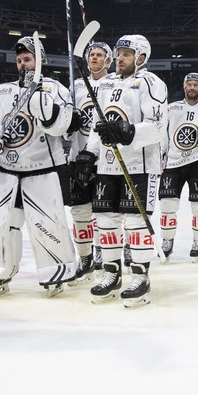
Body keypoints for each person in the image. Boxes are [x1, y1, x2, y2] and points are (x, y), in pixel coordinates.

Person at [0, 35, 77, 298]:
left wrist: (50, 114)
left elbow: (65, 127)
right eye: (19, 60)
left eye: (28, 59)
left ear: (40, 62)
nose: (23, 64)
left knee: (46, 223)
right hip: (4, 171)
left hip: (43, 169)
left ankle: (55, 270)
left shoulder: (56, 89)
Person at [75, 34, 167, 307]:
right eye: (118, 53)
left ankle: (140, 276)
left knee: (137, 223)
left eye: (126, 53)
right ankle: (111, 273)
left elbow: (159, 126)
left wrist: (129, 131)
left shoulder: (151, 83)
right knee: (106, 221)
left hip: (140, 165)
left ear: (141, 57)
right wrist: (88, 153)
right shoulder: (105, 84)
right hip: (107, 164)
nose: (120, 58)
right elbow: (98, 125)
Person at [158, 72, 198, 262]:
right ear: (184, 87)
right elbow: (163, 136)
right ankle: (167, 240)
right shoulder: (171, 109)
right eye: (189, 84)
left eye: (196, 85)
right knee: (167, 205)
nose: (192, 88)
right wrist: (161, 160)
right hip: (173, 163)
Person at [68, 41, 113, 281]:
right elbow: (63, 124)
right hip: (77, 156)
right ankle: (84, 256)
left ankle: (102, 253)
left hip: (104, 159)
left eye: (99, 55)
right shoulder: (75, 87)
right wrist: (68, 121)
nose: (94, 58)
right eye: (91, 55)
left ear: (108, 60)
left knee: (103, 212)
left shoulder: (113, 84)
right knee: (80, 211)